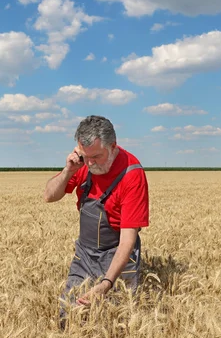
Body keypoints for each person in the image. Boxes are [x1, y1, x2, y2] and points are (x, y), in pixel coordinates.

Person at [44, 115, 149, 313]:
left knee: (117, 318)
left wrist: (107, 283)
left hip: (116, 252)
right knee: (69, 316)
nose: (90, 164)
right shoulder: (81, 164)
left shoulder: (131, 174)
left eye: (97, 157)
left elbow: (127, 240)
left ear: (113, 146)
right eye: (86, 157)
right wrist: (68, 170)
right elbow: (49, 196)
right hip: (84, 253)